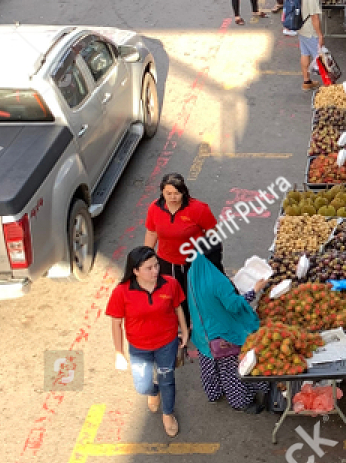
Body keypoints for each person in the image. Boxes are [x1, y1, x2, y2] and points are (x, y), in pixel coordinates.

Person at [106, 245, 189, 438]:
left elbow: (177, 307)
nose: (155, 271)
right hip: (139, 347)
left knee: (167, 379)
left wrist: (184, 330)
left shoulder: (169, 284)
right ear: (135, 271)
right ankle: (154, 391)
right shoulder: (121, 292)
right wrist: (118, 353)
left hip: (167, 343)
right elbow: (116, 324)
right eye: (149, 268)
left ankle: (168, 414)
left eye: (156, 265)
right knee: (142, 386)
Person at [186, 241, 271, 413]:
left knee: (209, 365)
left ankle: (214, 393)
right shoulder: (218, 281)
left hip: (203, 333)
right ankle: (240, 402)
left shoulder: (195, 268)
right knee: (231, 371)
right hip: (222, 336)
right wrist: (254, 290)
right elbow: (235, 305)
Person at [144, 173, 217, 306]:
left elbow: (212, 233)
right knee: (172, 298)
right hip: (166, 262)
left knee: (196, 296)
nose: (172, 197)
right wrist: (146, 258)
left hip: (193, 262)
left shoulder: (198, 209)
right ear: (162, 193)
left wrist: (208, 255)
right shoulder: (154, 208)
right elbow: (151, 233)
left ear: (184, 192)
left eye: (176, 193)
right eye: (168, 193)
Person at [296, 0, 326, 92]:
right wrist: (320, 35)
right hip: (310, 31)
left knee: (304, 53)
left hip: (301, 28)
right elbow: (315, 17)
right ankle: (328, 88)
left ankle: (306, 81)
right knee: (321, 59)